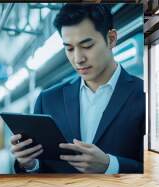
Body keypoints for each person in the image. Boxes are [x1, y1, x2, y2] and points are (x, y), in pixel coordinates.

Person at [10, 4, 145, 173]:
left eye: (87, 46)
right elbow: (44, 173)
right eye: (69, 48)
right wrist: (29, 164)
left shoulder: (144, 96)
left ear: (111, 39)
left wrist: (110, 165)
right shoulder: (48, 100)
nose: (78, 58)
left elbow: (157, 172)